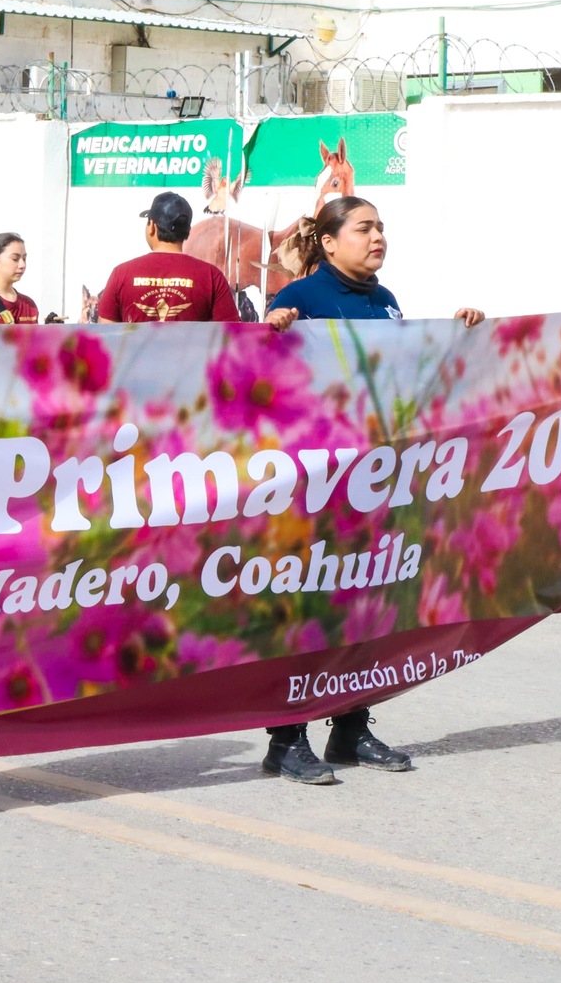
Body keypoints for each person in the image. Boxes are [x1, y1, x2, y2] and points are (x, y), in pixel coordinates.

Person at [263, 197, 485, 782]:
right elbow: (258, 376)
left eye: (381, 227)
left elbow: (407, 378)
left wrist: (457, 336)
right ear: (330, 242)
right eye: (364, 228)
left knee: (366, 610)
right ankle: (286, 738)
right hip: (312, 487)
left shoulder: (385, 302)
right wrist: (273, 329)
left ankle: (351, 730)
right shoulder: (300, 299)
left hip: (375, 484)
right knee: (306, 613)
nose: (377, 236)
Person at [96, 192, 239, 324]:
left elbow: (106, 335)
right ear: (188, 232)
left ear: (151, 226)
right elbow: (231, 336)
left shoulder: (121, 274)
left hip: (137, 353)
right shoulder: (211, 276)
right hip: (192, 352)